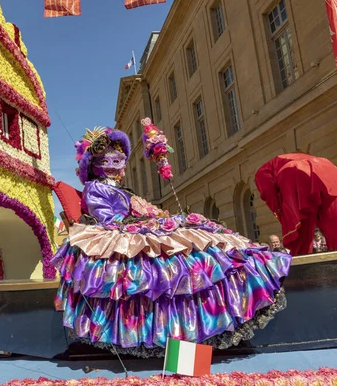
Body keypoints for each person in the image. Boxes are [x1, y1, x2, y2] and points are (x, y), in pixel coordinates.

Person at [52, 127, 290, 356]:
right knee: (169, 263)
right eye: (106, 162)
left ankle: (197, 326)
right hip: (118, 234)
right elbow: (107, 217)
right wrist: (142, 221)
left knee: (199, 242)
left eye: (118, 160)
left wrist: (151, 216)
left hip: (136, 227)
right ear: (94, 166)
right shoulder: (96, 188)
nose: (113, 167)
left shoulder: (121, 189)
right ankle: (166, 337)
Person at [255, 153, 337, 256]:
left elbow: (269, 194)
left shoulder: (261, 173)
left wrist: (282, 214)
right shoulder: (283, 160)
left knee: (301, 231)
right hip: (325, 167)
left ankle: (302, 265)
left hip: (295, 171)